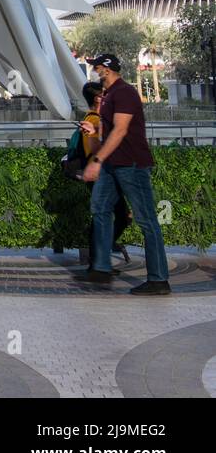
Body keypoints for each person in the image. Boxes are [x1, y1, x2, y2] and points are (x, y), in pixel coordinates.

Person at [80, 54, 169, 294]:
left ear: (107, 70)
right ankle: (101, 268)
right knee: (99, 208)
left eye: (97, 67)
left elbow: (120, 131)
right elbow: (108, 132)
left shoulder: (125, 93)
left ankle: (159, 279)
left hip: (131, 164)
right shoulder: (108, 96)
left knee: (146, 219)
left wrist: (96, 161)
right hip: (112, 164)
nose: (95, 71)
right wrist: (93, 130)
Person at [76, 81, 131, 270]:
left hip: (102, 174)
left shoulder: (96, 119)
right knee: (116, 216)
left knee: (111, 216)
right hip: (100, 174)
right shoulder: (93, 121)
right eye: (105, 94)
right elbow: (95, 150)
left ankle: (99, 256)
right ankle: (98, 257)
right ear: (98, 98)